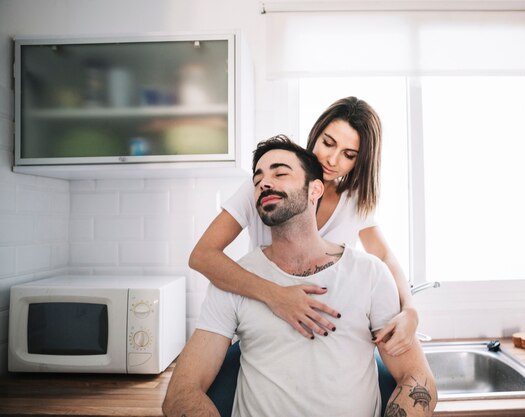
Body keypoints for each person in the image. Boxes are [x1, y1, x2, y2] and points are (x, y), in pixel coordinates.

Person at [163, 136, 436, 417]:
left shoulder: (370, 274)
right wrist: (275, 295)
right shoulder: (232, 281)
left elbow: (417, 378)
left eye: (280, 173)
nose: (265, 183)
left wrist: (411, 309)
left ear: (314, 189)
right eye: (257, 182)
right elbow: (181, 393)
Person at [190, 97, 417, 351]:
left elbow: (384, 257)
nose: (332, 159)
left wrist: (409, 308)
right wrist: (275, 295)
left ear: (360, 161)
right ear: (315, 134)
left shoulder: (354, 202)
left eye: (348, 155)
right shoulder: (269, 185)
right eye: (328, 143)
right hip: (265, 328)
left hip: (324, 334)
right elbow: (202, 256)